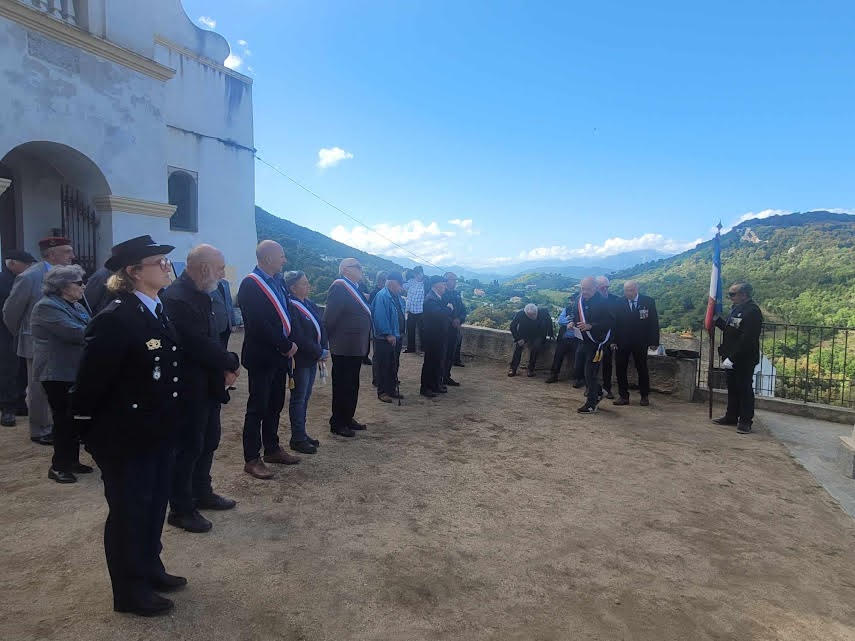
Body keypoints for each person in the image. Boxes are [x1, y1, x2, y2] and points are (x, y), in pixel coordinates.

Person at [70, 235, 185, 617]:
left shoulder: (155, 308)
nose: (167, 267)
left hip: (156, 429)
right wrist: (89, 434)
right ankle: (129, 592)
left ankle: (150, 568)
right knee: (128, 513)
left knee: (153, 506)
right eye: (158, 262)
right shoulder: (116, 318)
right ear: (133, 272)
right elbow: (89, 385)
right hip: (125, 436)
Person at [163, 245, 240, 533]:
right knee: (188, 446)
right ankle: (181, 508)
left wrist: (225, 366)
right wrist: (230, 361)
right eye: (220, 268)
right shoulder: (177, 298)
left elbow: (216, 336)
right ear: (205, 268)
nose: (223, 273)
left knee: (209, 440)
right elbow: (196, 343)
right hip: (188, 385)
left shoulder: (203, 293)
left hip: (208, 382)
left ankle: (202, 491)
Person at [237, 240, 301, 480]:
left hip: (279, 357)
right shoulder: (251, 285)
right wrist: (285, 345)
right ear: (267, 259)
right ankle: (252, 458)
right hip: (262, 356)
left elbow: (287, 314)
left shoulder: (278, 282)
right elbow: (259, 324)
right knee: (258, 407)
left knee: (275, 404)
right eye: (281, 256)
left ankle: (272, 448)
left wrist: (291, 341)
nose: (284, 260)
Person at [3, 237, 75, 444]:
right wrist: (24, 333)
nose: (72, 256)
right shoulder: (30, 277)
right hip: (37, 342)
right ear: (51, 254)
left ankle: (56, 425)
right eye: (67, 252)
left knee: (59, 385)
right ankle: (40, 429)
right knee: (39, 389)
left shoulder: (69, 275)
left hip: (63, 342)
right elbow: (11, 311)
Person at [31, 264, 92, 483]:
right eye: (78, 282)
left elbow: (90, 325)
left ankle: (72, 461)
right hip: (56, 372)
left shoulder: (76, 305)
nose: (83, 286)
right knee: (63, 419)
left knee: (73, 418)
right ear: (63, 285)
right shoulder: (46, 306)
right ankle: (59, 466)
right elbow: (75, 332)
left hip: (73, 371)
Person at [325, 258, 372, 436]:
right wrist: (326, 342)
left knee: (352, 385)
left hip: (355, 347)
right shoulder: (340, 286)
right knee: (342, 386)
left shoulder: (354, 288)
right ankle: (337, 422)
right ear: (345, 269)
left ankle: (347, 417)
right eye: (357, 267)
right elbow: (330, 318)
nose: (361, 270)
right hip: (343, 346)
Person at [285, 270, 328, 453]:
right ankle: (297, 437)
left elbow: (320, 326)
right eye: (304, 283)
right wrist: (318, 350)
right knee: (299, 398)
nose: (308, 285)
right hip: (300, 359)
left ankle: (302, 432)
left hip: (312, 357)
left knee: (305, 397)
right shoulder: (291, 305)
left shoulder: (308, 303)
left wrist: (322, 349)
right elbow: (298, 335)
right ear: (293, 287)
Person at [713, 281, 763, 434]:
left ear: (744, 294)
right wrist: (717, 321)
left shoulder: (752, 311)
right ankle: (731, 416)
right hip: (731, 357)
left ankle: (745, 421)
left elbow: (747, 339)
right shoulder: (736, 309)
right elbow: (731, 329)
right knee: (733, 388)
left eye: (732, 294)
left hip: (744, 358)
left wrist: (732, 358)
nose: (730, 297)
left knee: (744, 389)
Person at [0, 249, 35, 427]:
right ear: (12, 263)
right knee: (8, 369)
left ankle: (20, 403)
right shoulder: (3, 280)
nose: (29, 268)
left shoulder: (21, 278)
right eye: (26, 264)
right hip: (5, 331)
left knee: (21, 368)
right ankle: (7, 408)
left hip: (19, 329)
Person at [613, 280, 659, 407]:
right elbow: (615, 323)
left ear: (636, 289)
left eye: (631, 290)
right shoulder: (618, 302)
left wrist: (654, 341)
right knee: (620, 369)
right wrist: (613, 340)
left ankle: (644, 396)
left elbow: (654, 323)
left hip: (641, 342)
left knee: (642, 368)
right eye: (626, 290)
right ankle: (623, 396)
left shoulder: (648, 302)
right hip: (622, 342)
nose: (629, 293)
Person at [575, 276, 615, 414]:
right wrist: (571, 323)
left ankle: (591, 404)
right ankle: (599, 391)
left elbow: (609, 323)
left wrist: (591, 326)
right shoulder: (579, 300)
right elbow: (576, 316)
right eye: (582, 288)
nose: (584, 292)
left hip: (597, 343)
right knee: (580, 370)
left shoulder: (603, 303)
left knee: (590, 373)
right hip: (583, 341)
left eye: (587, 289)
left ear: (594, 288)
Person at [371, 271, 405, 403]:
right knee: (383, 365)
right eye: (400, 284)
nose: (401, 287)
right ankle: (382, 392)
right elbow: (380, 317)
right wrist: (388, 334)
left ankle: (391, 389)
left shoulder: (396, 296)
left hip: (396, 336)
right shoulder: (382, 296)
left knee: (393, 365)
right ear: (393, 283)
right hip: (385, 338)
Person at [420, 275, 451, 397]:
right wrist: (448, 309)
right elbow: (439, 314)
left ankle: (435, 385)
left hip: (439, 336)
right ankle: (425, 388)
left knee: (437, 361)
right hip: (432, 337)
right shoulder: (430, 299)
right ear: (436, 285)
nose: (444, 286)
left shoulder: (437, 297)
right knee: (430, 362)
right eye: (443, 284)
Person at [508, 303, 554, 377]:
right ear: (525, 313)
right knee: (518, 347)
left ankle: (530, 369)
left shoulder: (544, 312)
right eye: (529, 315)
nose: (532, 317)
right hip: (524, 333)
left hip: (538, 334)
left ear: (537, 311)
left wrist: (551, 334)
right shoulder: (520, 313)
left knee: (536, 347)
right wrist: (518, 339)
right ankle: (513, 369)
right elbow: (512, 326)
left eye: (533, 315)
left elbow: (549, 322)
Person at [546, 294, 582, 384]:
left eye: (573, 300)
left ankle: (578, 378)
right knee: (558, 356)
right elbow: (560, 320)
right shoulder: (567, 309)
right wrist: (570, 322)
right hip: (564, 338)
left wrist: (572, 322)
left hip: (577, 339)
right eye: (571, 301)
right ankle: (554, 374)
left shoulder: (582, 311)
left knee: (579, 358)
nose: (571, 302)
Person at [595, 276, 622, 399]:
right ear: (596, 287)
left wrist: (614, 340)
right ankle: (592, 388)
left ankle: (607, 388)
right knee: (592, 364)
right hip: (594, 338)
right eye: (602, 287)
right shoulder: (591, 299)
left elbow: (618, 321)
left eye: (607, 287)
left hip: (609, 339)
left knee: (607, 365)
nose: (605, 289)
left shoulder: (616, 300)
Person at [441, 272, 466, 387]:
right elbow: (440, 312)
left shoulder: (456, 294)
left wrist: (459, 320)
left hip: (454, 330)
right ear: (446, 280)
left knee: (450, 354)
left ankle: (446, 376)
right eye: (453, 279)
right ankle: (440, 378)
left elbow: (463, 311)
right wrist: (452, 320)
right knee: (443, 355)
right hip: (444, 329)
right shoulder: (442, 294)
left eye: (455, 279)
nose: (455, 282)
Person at [403, 266, 425, 353]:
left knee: (422, 331)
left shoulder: (426, 283)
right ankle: (410, 348)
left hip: (422, 311)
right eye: (416, 273)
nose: (418, 275)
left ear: (422, 273)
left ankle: (423, 349)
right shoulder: (411, 282)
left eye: (419, 273)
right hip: (411, 310)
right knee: (410, 330)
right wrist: (404, 275)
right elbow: (403, 286)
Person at [210, 278, 237, 350]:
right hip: (216, 325)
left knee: (224, 348)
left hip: (227, 324)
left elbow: (229, 303)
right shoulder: (207, 284)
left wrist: (233, 322)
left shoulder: (225, 283)